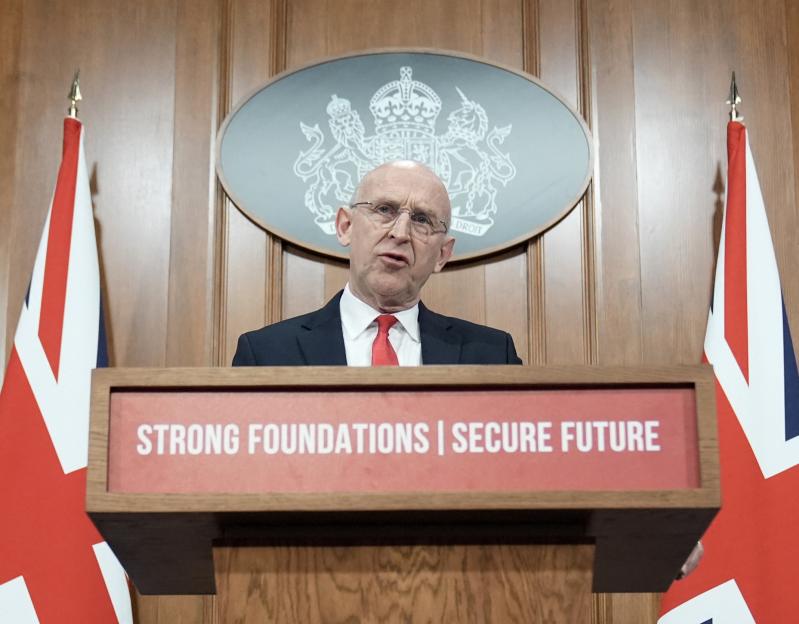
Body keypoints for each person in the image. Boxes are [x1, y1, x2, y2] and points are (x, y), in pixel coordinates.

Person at [233, 160, 522, 366]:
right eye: (384, 210)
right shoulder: (266, 354)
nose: (400, 233)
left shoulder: (494, 356)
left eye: (422, 220)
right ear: (345, 226)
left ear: (443, 254)